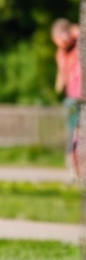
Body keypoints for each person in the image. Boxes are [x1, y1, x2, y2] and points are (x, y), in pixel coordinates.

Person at [53, 19, 82, 177]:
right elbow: (62, 74)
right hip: (72, 98)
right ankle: (72, 168)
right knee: (73, 134)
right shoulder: (61, 53)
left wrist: (71, 30)